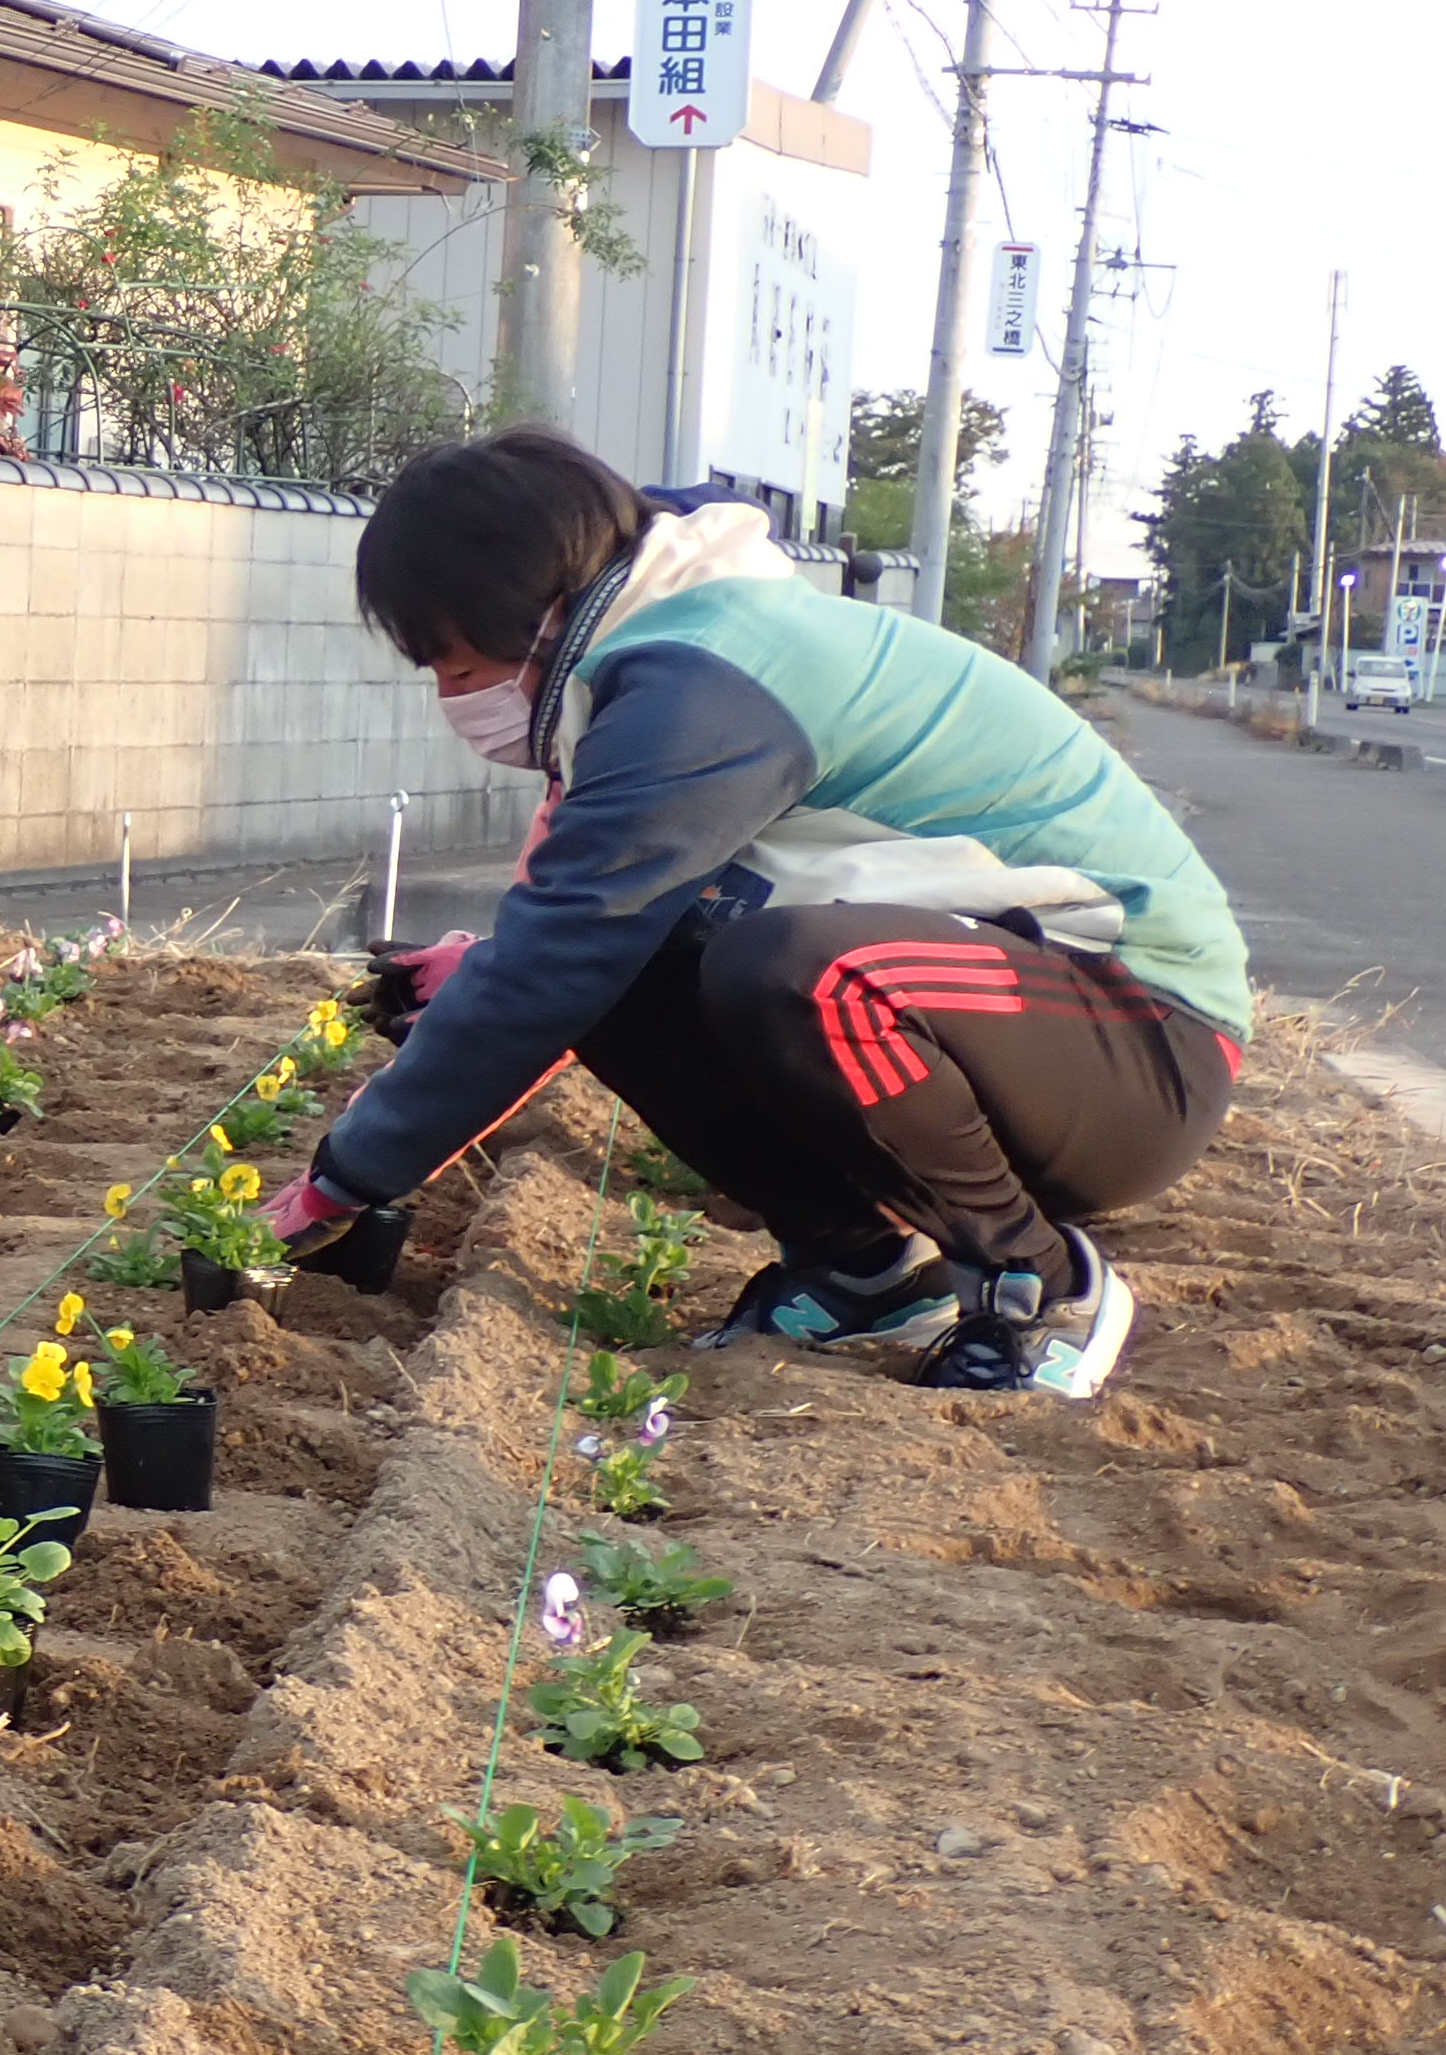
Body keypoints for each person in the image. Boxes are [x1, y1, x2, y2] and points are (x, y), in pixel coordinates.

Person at [263, 428, 1249, 1401]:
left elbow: (555, 955)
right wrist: (480, 965)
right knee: (634, 971)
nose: (451, 696)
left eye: (453, 660)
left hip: (1143, 1040)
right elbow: (577, 925)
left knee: (794, 973)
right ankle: (863, 1268)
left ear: (537, 612)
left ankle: (1041, 1283)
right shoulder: (675, 637)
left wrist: (342, 1180)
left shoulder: (697, 687)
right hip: (1017, 1012)